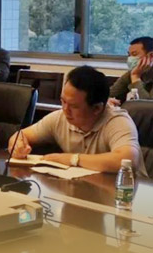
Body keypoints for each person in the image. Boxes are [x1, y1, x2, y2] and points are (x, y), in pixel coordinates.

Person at [8, 66, 147, 178]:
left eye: (74, 106)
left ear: (97, 108)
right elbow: (21, 135)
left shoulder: (117, 122)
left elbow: (127, 159)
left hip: (127, 195)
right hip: (86, 190)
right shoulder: (60, 118)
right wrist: (17, 146)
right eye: (63, 101)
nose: (65, 109)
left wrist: (73, 159)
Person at [109, 36, 153, 105]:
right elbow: (110, 93)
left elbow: (147, 107)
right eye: (129, 55)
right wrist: (107, 100)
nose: (130, 58)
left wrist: (135, 77)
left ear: (151, 56)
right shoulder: (132, 73)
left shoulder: (134, 73)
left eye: (134, 54)